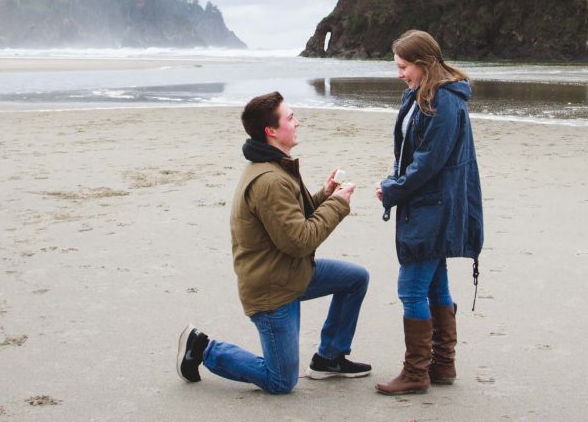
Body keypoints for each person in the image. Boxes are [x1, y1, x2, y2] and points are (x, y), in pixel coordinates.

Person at [177, 91, 372, 394]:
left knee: (355, 279)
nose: (298, 122)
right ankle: (203, 349)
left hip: (289, 272)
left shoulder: (275, 165)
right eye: (291, 118)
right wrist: (338, 205)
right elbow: (299, 241)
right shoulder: (270, 179)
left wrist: (325, 194)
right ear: (271, 131)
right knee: (281, 380)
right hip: (272, 289)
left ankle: (329, 358)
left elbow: (292, 220)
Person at [374, 30, 484, 396]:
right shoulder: (422, 94)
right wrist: (395, 180)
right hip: (426, 203)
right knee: (436, 285)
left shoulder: (445, 101)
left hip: (433, 207)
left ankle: (416, 372)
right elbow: (410, 152)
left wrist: (392, 189)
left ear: (422, 64)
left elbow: (428, 164)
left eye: (403, 67)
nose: (399, 74)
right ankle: (442, 364)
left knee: (411, 290)